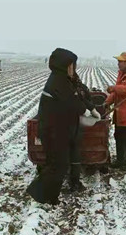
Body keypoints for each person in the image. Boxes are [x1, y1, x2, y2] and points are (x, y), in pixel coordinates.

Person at [26, 48, 88, 205]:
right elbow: (73, 103)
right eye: (72, 65)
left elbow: (75, 98)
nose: (73, 68)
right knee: (57, 166)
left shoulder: (61, 79)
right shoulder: (59, 82)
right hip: (53, 131)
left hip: (57, 130)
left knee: (58, 165)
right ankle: (40, 194)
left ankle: (49, 196)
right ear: (64, 65)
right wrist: (87, 110)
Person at [69, 66, 100, 192]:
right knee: (72, 152)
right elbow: (77, 102)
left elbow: (83, 100)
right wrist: (87, 110)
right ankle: (73, 183)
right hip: (68, 123)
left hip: (69, 125)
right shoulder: (67, 87)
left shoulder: (73, 86)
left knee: (72, 153)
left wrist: (92, 109)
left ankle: (74, 182)